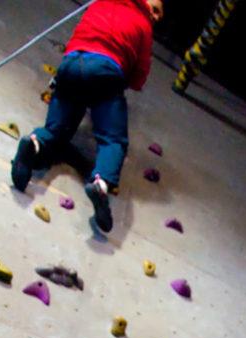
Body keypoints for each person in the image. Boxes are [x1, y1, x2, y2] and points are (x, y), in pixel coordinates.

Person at [11, 0, 163, 232]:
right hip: (107, 72)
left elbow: (78, 35)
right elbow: (139, 78)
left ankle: (33, 145)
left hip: (72, 63)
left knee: (56, 131)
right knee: (113, 140)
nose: (156, 17)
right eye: (155, 10)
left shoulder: (100, 2)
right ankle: (101, 183)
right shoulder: (143, 25)